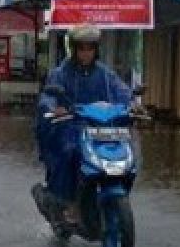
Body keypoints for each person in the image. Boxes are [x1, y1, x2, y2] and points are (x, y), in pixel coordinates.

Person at [35, 25, 133, 227]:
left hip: (102, 128)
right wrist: (54, 107)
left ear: (96, 50)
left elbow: (121, 90)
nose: (86, 53)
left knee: (126, 150)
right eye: (82, 48)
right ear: (74, 49)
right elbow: (48, 97)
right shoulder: (60, 74)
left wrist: (132, 104)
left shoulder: (105, 74)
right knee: (71, 152)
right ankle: (69, 203)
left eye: (90, 48)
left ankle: (110, 192)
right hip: (71, 128)